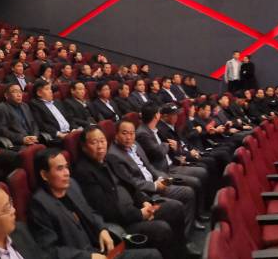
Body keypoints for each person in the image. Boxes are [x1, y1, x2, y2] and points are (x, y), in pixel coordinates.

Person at [71, 127, 185, 259]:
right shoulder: (83, 172)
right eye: (94, 142)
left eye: (102, 140)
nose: (100, 146)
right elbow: (106, 209)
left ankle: (181, 253)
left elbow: (131, 185)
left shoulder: (111, 159)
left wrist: (144, 201)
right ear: (84, 147)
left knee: (175, 207)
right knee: (162, 229)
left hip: (138, 208)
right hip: (123, 222)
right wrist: (139, 214)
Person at [28, 148, 162, 259]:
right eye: (59, 169)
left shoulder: (72, 186)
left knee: (153, 254)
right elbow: (50, 251)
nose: (67, 173)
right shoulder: (40, 204)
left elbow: (90, 211)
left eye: (66, 167)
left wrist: (101, 229)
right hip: (84, 255)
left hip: (100, 250)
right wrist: (88, 256)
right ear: (44, 175)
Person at [135, 105, 211, 217]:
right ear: (157, 116)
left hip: (172, 163)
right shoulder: (143, 133)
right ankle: (197, 215)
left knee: (202, 171)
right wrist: (166, 145)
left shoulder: (155, 129)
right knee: (194, 183)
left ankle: (202, 210)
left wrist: (177, 155)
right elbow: (159, 152)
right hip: (163, 170)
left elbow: (172, 147)